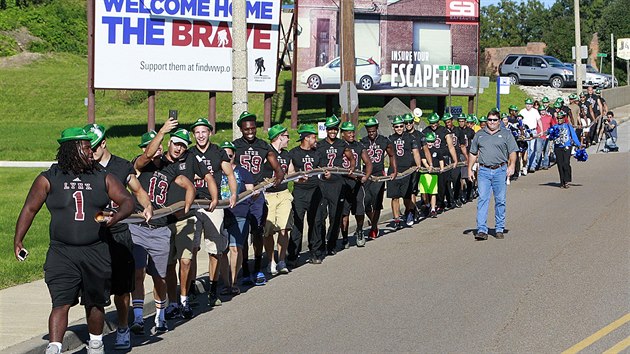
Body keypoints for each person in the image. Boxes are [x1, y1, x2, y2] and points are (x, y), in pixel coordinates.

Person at [14, 127, 134, 354]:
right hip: (62, 251)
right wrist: (18, 239)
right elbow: (30, 209)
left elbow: (127, 200)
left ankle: (96, 343)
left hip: (96, 249)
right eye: (87, 147)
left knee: (95, 302)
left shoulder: (102, 176)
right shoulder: (49, 178)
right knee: (61, 300)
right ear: (73, 149)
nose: (92, 151)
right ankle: (55, 346)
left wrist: (116, 216)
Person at [84, 124, 153, 350]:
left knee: (122, 289)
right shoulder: (85, 167)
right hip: (94, 235)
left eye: (93, 147)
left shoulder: (122, 166)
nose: (90, 152)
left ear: (103, 143)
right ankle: (96, 337)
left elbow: (138, 191)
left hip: (119, 232)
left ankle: (123, 327)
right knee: (94, 289)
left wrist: (148, 207)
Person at [130, 120, 198, 335]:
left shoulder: (169, 168)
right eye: (153, 145)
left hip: (160, 228)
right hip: (139, 226)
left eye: (160, 145)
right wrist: (161, 132)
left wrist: (187, 203)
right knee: (138, 272)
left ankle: (160, 317)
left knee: (160, 276)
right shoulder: (140, 166)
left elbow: (188, 184)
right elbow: (146, 157)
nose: (158, 149)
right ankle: (139, 318)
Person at [161, 127, 219, 320]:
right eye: (176, 144)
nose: (179, 149)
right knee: (169, 265)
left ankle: (184, 300)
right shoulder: (160, 161)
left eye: (183, 146)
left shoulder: (191, 159)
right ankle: (172, 302)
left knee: (186, 260)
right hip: (164, 219)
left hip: (186, 218)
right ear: (169, 142)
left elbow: (208, 177)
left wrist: (214, 197)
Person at [189, 117, 237, 307]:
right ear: (194, 135)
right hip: (193, 205)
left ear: (210, 132)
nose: (201, 135)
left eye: (204, 131)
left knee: (215, 250)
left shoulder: (218, 152)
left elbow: (230, 174)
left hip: (213, 205)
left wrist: (233, 194)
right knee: (190, 250)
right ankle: (190, 290)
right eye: (197, 132)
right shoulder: (189, 152)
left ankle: (213, 289)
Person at [233, 111, 284, 285]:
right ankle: (245, 270)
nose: (250, 131)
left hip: (257, 195)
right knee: (243, 233)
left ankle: (257, 269)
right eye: (246, 129)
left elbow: (278, 168)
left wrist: (276, 179)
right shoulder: (235, 146)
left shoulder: (263, 146)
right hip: (240, 196)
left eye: (253, 128)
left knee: (257, 232)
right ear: (241, 129)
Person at [467, 111, 518, 241]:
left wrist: (512, 166)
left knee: (500, 200)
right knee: (483, 199)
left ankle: (499, 228)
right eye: (490, 120)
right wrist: (470, 169)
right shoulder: (480, 134)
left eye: (495, 120)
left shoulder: (506, 134)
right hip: (484, 170)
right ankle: (481, 229)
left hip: (500, 170)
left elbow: (513, 151)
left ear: (499, 121)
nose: (492, 122)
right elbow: (473, 153)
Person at [221, 141, 256, 295]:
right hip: (221, 213)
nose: (227, 158)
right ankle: (226, 283)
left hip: (240, 213)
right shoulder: (216, 172)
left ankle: (234, 282)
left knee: (236, 248)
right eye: (224, 156)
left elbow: (251, 191)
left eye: (229, 155)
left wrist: (251, 196)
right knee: (222, 251)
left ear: (234, 155)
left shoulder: (243, 171)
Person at [317, 115, 355, 255]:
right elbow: (316, 161)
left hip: (337, 183)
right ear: (326, 130)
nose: (332, 132)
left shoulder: (341, 144)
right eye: (330, 129)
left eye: (335, 129)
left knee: (335, 216)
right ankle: (320, 243)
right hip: (323, 184)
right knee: (321, 216)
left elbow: (351, 158)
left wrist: (351, 167)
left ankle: (331, 243)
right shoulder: (320, 145)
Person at [288, 124, 324, 265]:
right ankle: (292, 255)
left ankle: (315, 253)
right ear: (306, 138)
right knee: (297, 224)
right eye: (313, 137)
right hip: (300, 192)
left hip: (315, 190)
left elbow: (322, 171)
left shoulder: (318, 153)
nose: (316, 140)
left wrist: (325, 174)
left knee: (316, 222)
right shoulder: (294, 153)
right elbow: (289, 172)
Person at [262, 124, 293, 275]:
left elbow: (292, 172)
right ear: (280, 137)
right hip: (269, 195)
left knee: (284, 227)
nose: (288, 139)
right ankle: (271, 261)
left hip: (284, 193)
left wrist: (302, 177)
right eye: (287, 136)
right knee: (268, 231)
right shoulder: (266, 153)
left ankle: (281, 261)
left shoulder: (287, 155)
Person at [360, 117, 397, 239]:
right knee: (365, 201)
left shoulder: (384, 141)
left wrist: (394, 171)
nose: (371, 133)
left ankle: (374, 227)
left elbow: (392, 155)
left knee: (376, 200)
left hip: (379, 175)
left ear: (377, 129)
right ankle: (374, 222)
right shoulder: (363, 142)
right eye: (369, 131)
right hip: (366, 175)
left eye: (373, 131)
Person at [339, 121, 372, 247]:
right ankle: (345, 236)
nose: (352, 134)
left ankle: (359, 230)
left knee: (359, 210)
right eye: (349, 132)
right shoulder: (339, 145)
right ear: (343, 134)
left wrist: (366, 177)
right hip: (343, 182)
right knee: (344, 212)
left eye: (353, 132)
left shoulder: (359, 145)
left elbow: (368, 162)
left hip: (357, 182)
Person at [388, 115, 422, 228]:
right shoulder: (390, 139)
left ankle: (409, 213)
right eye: (396, 126)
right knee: (394, 196)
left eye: (401, 126)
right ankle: (396, 219)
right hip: (394, 170)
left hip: (407, 170)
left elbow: (416, 152)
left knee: (407, 196)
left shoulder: (410, 137)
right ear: (393, 127)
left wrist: (418, 164)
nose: (399, 128)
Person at [425, 113, 458, 213]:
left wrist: (455, 159)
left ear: (438, 122)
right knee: (429, 184)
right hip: (430, 159)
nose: (433, 125)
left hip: (442, 158)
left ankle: (440, 203)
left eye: (435, 122)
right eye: (431, 123)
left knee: (442, 183)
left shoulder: (444, 131)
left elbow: (451, 146)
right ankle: (429, 204)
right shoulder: (426, 131)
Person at [552, 111, 582, 189]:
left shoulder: (568, 126)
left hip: (567, 146)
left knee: (566, 163)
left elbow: (573, 135)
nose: (559, 120)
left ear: (564, 118)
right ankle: (562, 182)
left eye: (561, 118)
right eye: (558, 118)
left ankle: (567, 180)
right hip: (558, 147)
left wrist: (578, 144)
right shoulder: (555, 127)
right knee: (560, 164)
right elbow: (550, 136)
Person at [420, 131, 444, 218]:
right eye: (428, 141)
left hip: (434, 174)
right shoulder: (423, 150)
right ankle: (427, 204)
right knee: (424, 192)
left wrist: (441, 168)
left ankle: (433, 209)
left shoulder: (437, 150)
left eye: (431, 141)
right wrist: (428, 167)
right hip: (425, 174)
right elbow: (423, 160)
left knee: (433, 192)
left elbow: (441, 160)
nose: (430, 143)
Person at [519, 98, 543, 173]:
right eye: (527, 104)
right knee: (526, 149)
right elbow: (519, 122)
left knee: (532, 148)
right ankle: (526, 165)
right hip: (525, 131)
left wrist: (541, 130)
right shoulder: (522, 111)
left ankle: (532, 165)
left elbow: (539, 120)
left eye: (530, 104)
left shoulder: (535, 111)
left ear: (532, 105)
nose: (528, 106)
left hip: (533, 130)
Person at [536, 106, 557, 170]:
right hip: (539, 136)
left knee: (546, 151)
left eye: (544, 110)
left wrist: (551, 133)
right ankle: (538, 164)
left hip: (547, 137)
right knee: (538, 151)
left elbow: (553, 125)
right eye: (541, 110)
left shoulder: (549, 117)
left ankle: (545, 164)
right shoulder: (538, 118)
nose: (543, 112)